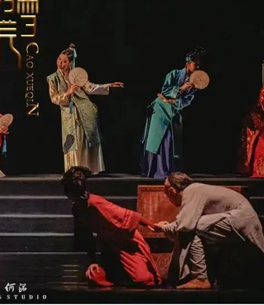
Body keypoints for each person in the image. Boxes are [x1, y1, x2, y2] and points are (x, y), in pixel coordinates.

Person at [153, 172, 264, 290]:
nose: (168, 197)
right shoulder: (196, 189)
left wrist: (164, 228)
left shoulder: (192, 192)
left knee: (196, 229)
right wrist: (170, 226)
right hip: (240, 218)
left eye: (166, 193)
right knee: (200, 227)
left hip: (240, 218)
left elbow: (185, 226)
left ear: (172, 191)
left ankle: (201, 279)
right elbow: (185, 222)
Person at [62, 166, 161, 287]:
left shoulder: (95, 203)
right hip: (107, 244)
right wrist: (93, 261)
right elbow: (86, 236)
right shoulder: (77, 209)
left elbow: (128, 214)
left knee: (144, 279)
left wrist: (153, 226)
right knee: (94, 276)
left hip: (126, 242)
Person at [46, 43, 124, 174]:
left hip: (85, 109)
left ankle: (88, 168)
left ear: (70, 63)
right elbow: (54, 98)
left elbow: (90, 88)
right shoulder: (52, 78)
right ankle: (74, 169)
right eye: (59, 59)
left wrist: (109, 85)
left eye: (64, 61)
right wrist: (68, 93)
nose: (60, 63)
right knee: (72, 140)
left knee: (85, 139)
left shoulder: (76, 74)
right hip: (68, 113)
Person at [140, 46, 206, 179]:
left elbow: (187, 100)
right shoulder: (174, 74)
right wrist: (181, 89)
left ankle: (170, 170)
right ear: (188, 64)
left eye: (199, 64)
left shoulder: (194, 83)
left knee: (171, 139)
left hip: (174, 109)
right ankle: (155, 170)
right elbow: (164, 90)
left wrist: (173, 101)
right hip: (160, 109)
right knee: (159, 138)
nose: (198, 67)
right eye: (195, 64)